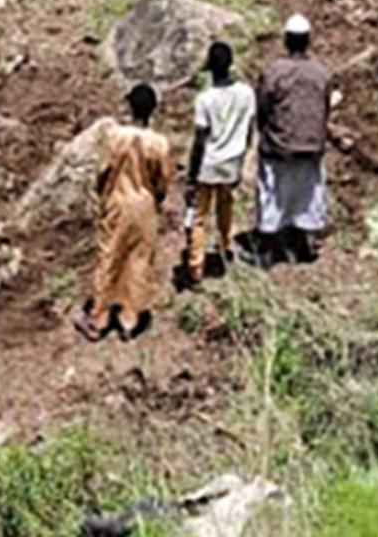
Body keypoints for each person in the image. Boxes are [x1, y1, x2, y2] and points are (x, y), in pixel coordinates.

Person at [75, 84, 171, 338]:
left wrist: (101, 195)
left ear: (130, 107)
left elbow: (103, 171)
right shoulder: (159, 143)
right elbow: (163, 181)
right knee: (139, 259)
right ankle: (130, 318)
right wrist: (157, 200)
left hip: (118, 201)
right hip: (145, 205)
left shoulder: (115, 136)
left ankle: (99, 317)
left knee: (110, 256)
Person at [254, 15, 332, 262]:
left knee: (271, 192)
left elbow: (262, 107)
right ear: (308, 41)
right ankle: (306, 240)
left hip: (280, 146)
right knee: (310, 193)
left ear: (286, 41)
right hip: (312, 145)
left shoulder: (273, 72)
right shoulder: (322, 73)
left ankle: (266, 247)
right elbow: (325, 107)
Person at [184, 41, 252, 287]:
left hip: (208, 164)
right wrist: (243, 157)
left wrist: (191, 175)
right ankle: (224, 250)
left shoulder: (205, 99)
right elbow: (249, 129)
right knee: (226, 207)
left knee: (200, 216)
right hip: (232, 161)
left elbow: (200, 140)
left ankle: (195, 268)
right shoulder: (246, 93)